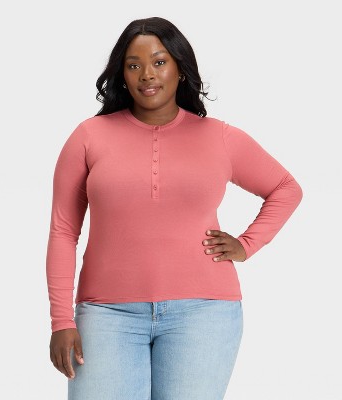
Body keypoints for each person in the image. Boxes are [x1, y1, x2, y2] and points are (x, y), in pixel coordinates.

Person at [46, 16, 303, 400]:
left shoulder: (219, 137)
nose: (147, 74)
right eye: (134, 65)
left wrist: (247, 244)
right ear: (122, 74)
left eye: (159, 62)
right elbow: (63, 231)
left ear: (180, 68)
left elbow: (286, 188)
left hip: (204, 314)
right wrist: (61, 321)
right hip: (106, 315)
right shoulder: (89, 136)